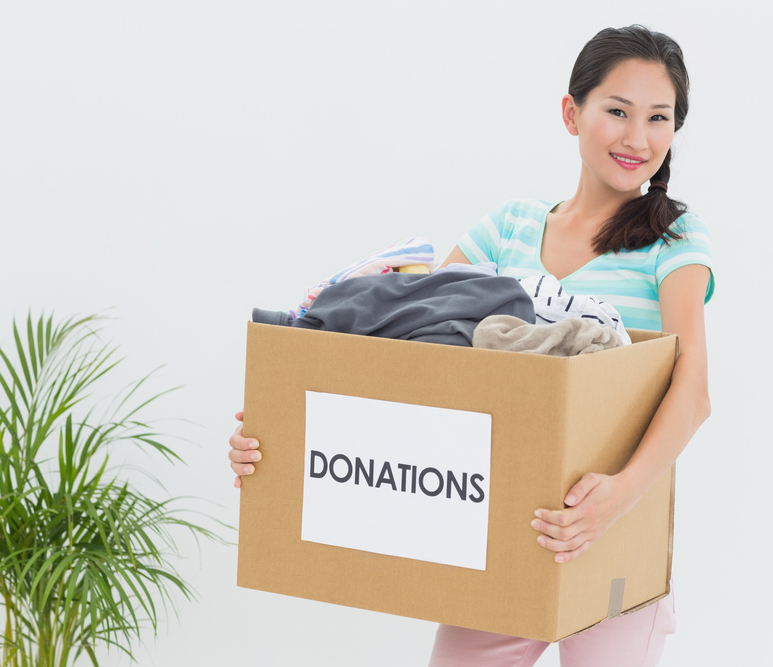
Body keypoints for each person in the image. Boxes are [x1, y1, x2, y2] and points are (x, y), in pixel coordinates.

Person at [228, 25, 713, 667]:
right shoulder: (508, 227)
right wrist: (286, 428)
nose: (637, 138)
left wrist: (615, 500)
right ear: (573, 113)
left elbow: (694, 389)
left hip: (617, 539)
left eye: (659, 118)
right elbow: (418, 352)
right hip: (503, 533)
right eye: (616, 111)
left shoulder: (672, 238)